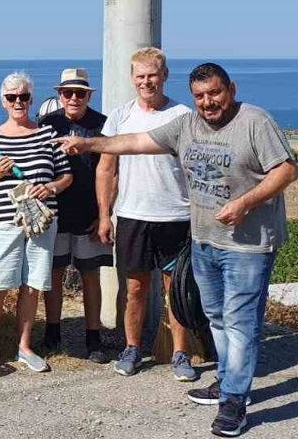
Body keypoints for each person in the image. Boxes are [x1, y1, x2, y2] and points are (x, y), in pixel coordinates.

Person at [55, 62, 298, 438]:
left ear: (230, 89)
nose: (208, 102)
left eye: (215, 93)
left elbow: (286, 170)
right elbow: (136, 142)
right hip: (204, 239)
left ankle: (234, 401)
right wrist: (89, 143)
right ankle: (226, 380)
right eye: (200, 96)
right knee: (216, 315)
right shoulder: (187, 126)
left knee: (240, 321)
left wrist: (245, 202)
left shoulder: (254, 121)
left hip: (248, 245)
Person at [94, 47, 196, 380]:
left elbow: (196, 168)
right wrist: (105, 214)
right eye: (140, 76)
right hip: (133, 216)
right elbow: (105, 169)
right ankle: (132, 348)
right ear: (132, 78)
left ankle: (181, 353)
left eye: (152, 75)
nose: (146, 82)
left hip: (175, 216)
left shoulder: (182, 115)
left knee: (176, 289)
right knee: (135, 287)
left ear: (164, 76)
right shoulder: (120, 116)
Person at [0, 72, 72, 374]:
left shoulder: (47, 135)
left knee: (32, 286)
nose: (18, 102)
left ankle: (24, 347)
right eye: (12, 97)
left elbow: (66, 175)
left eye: (23, 96)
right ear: (3, 101)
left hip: (42, 221)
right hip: (4, 222)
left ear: (31, 99)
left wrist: (50, 188)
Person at [36, 68, 113, 362]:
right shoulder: (46, 124)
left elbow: (112, 173)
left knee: (90, 274)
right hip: (54, 213)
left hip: (89, 212)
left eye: (80, 93)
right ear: (59, 95)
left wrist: (104, 213)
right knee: (53, 273)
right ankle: (52, 334)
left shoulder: (102, 125)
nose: (73, 98)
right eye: (68, 93)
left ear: (89, 95)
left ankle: (93, 338)